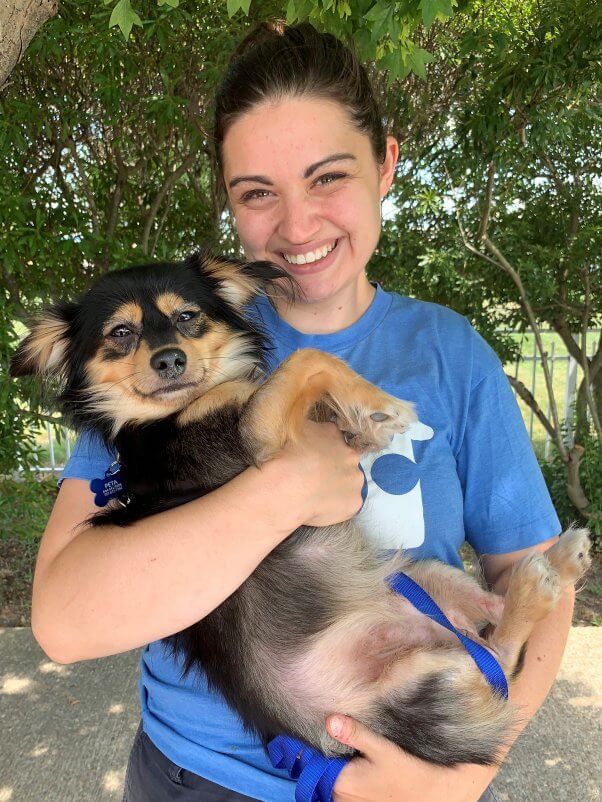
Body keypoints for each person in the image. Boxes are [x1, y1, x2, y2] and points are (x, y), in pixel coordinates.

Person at [33, 23, 571, 802]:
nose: (296, 226)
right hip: (196, 776)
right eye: (258, 192)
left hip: (413, 763)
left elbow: (537, 576)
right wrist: (285, 488)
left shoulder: (451, 353)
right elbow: (65, 622)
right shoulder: (157, 382)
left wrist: (470, 771)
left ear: (386, 164)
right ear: (229, 200)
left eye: (328, 177)